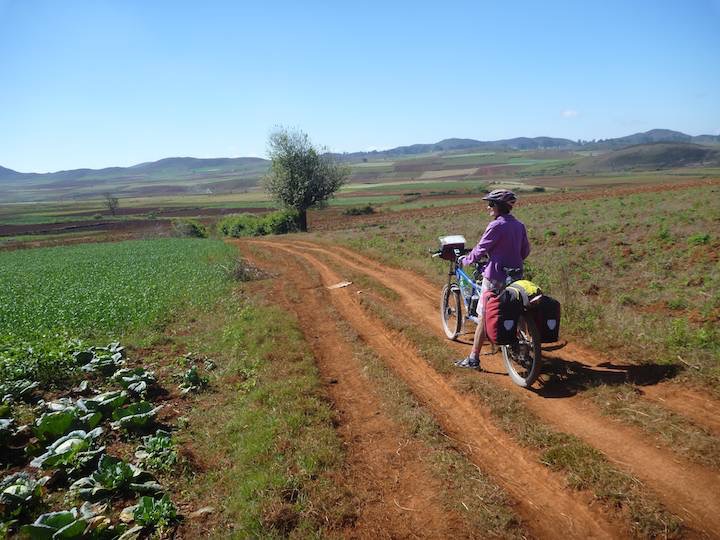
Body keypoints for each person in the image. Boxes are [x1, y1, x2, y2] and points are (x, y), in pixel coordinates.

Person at [455, 189, 530, 369]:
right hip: (516, 274)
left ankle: (473, 358)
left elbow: (481, 249)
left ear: (498, 206)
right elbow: (525, 251)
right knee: (514, 308)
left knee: (484, 314)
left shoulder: (496, 225)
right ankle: (523, 348)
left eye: (490, 204)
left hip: (495, 276)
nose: (488, 207)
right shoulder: (519, 225)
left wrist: (465, 260)